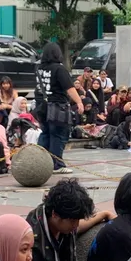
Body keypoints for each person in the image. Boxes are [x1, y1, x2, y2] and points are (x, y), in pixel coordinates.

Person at [36, 43, 82, 175]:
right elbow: (70, 88)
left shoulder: (39, 68)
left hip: (42, 107)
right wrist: (79, 101)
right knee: (58, 135)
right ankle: (57, 164)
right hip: (57, 107)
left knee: (45, 134)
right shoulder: (59, 69)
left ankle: (40, 162)